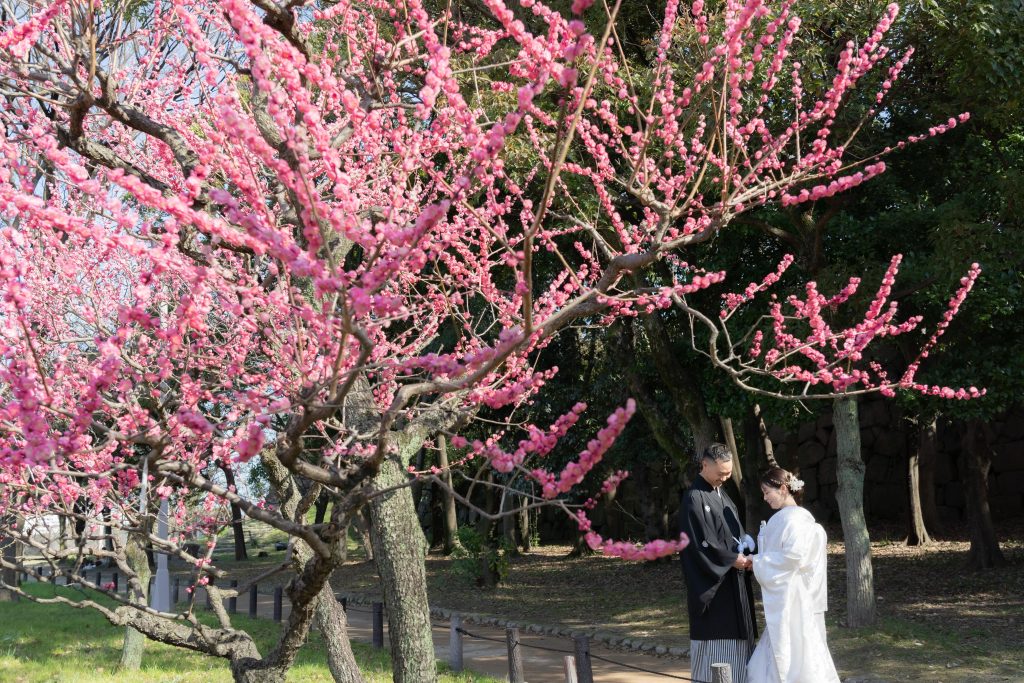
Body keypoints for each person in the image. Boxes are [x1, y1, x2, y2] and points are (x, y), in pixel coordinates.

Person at [747, 467, 840, 683]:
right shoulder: (790, 519)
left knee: (798, 652)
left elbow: (793, 557)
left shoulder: (793, 520)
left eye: (766, 491)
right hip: (793, 595)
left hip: (794, 598)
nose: (764, 497)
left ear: (782, 489)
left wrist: (757, 561)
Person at [680, 443, 758, 683]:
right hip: (715, 589)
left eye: (728, 472)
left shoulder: (721, 494)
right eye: (721, 472)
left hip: (734, 582)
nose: (725, 478)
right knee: (718, 644)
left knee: (741, 643)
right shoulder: (694, 498)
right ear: (705, 465)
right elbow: (701, 544)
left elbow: (733, 533)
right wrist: (733, 559)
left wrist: (745, 545)